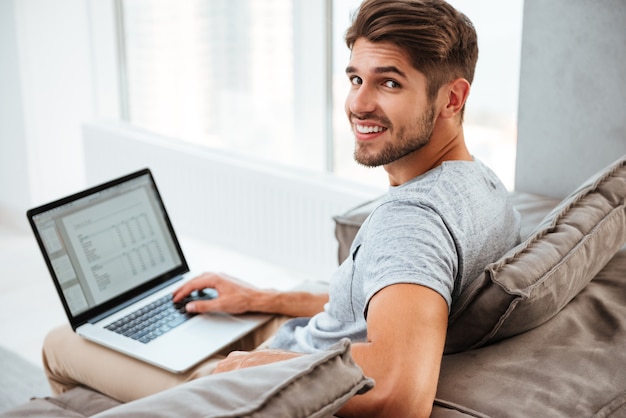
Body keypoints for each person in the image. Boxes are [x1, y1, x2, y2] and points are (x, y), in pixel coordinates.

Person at [43, 0, 521, 416]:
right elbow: (382, 309)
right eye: (355, 77)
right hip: (302, 343)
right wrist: (260, 299)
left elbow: (399, 395)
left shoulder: (412, 222)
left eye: (389, 83)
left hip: (263, 387)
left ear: (452, 98)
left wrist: (244, 367)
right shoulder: (484, 185)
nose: (358, 103)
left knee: (61, 344)